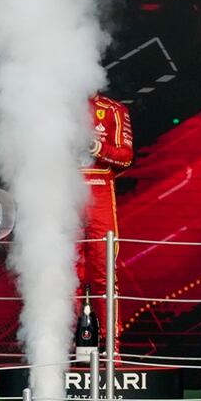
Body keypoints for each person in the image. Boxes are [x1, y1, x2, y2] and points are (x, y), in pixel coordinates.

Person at [78, 93, 134, 351]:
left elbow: (126, 157)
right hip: (61, 193)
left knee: (103, 275)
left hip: (99, 192)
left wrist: (96, 148)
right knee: (65, 276)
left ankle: (112, 346)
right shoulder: (52, 104)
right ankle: (66, 345)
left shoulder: (113, 110)